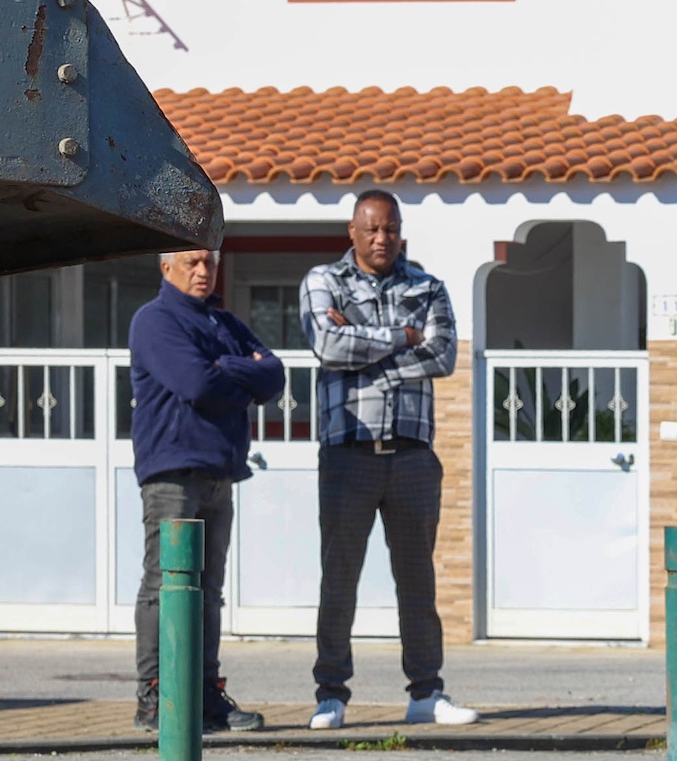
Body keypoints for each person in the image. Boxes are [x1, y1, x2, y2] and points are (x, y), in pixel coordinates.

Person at [300, 190, 478, 728]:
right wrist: (402, 336)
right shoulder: (322, 282)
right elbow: (327, 347)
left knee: (418, 581)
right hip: (347, 454)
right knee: (340, 578)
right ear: (352, 232)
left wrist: (363, 347)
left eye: (391, 229)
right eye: (372, 229)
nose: (382, 239)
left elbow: (442, 356)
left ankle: (426, 692)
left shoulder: (427, 286)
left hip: (411, 456)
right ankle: (330, 694)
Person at [126, 248, 283, 733]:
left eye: (208, 263)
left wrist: (224, 367)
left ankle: (205, 693)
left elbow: (274, 375)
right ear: (165, 267)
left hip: (221, 470)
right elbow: (195, 383)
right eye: (191, 262)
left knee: (209, 593)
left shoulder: (224, 322)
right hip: (173, 472)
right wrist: (240, 371)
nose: (202, 271)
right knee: (164, 586)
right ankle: (154, 695)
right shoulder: (153, 322)